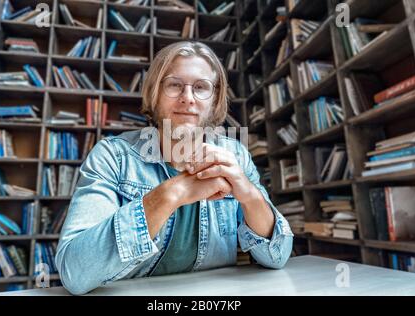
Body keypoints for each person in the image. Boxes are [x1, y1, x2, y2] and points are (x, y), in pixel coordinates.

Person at [55, 41, 293, 295]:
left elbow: (276, 256)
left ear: (214, 99)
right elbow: (75, 273)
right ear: (155, 94)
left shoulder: (234, 155)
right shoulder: (113, 156)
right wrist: (171, 194)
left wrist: (248, 193)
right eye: (174, 85)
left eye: (201, 87)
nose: (187, 98)